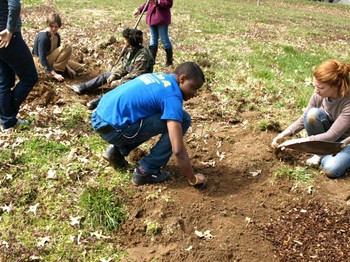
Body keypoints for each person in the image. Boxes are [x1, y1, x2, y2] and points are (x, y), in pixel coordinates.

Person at [91, 62, 207, 187]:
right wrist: (192, 178)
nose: (195, 94)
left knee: (158, 112)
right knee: (183, 119)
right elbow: (178, 150)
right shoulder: (172, 96)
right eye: (194, 87)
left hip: (100, 117)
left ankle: (116, 152)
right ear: (182, 79)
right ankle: (146, 171)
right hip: (113, 130)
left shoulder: (160, 77)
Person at [272, 59, 350, 179]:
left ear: (335, 86)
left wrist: (296, 143)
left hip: (346, 141)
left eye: (321, 87)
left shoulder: (347, 103)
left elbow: (332, 135)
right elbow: (303, 119)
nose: (316, 90)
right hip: (330, 137)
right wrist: (285, 133)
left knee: (331, 169)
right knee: (312, 114)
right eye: (315, 86)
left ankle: (325, 156)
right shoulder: (319, 95)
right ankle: (321, 153)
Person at [67, 28, 154, 110]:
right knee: (106, 75)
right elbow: (124, 67)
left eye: (125, 40)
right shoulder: (131, 51)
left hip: (138, 83)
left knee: (121, 87)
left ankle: (97, 101)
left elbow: (135, 75)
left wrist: (119, 81)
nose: (124, 42)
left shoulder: (143, 55)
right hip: (128, 77)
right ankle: (82, 87)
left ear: (130, 41)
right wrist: (114, 75)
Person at [0, 0, 38, 132]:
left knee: (4, 81)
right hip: (7, 36)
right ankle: (8, 117)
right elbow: (14, 5)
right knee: (30, 77)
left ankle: (7, 121)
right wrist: (10, 30)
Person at [32, 12, 83, 82]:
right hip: (40, 63)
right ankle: (55, 72)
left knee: (79, 68)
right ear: (48, 25)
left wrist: (69, 69)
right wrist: (54, 74)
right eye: (51, 26)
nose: (54, 29)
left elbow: (60, 54)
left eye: (56, 27)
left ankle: (59, 69)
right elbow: (42, 59)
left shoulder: (56, 36)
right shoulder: (43, 37)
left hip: (52, 60)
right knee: (67, 46)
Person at [133, 0, 174, 68]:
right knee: (153, 39)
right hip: (152, 18)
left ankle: (169, 61)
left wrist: (157, 2)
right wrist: (139, 10)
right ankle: (151, 60)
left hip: (162, 18)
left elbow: (169, 3)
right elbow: (148, 3)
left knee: (164, 39)